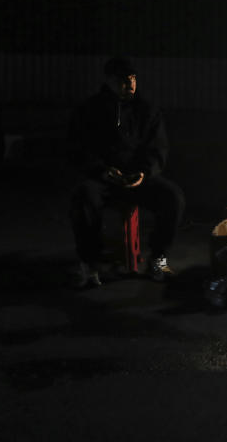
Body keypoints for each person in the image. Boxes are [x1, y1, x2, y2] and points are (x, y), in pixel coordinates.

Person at [67, 56, 185, 287]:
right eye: (122, 80)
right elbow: (77, 148)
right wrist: (101, 170)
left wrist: (144, 173)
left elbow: (158, 148)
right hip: (103, 179)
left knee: (173, 197)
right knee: (83, 198)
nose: (129, 84)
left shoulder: (147, 110)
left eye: (132, 78)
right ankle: (89, 263)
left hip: (136, 179)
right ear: (109, 81)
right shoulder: (90, 110)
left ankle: (158, 258)